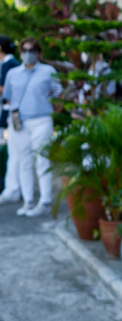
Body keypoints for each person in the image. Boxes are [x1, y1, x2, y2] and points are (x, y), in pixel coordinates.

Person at [3, 38, 63, 216]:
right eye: (25, 50)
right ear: (20, 52)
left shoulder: (48, 71)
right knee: (24, 161)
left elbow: (59, 94)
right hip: (19, 122)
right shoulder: (13, 73)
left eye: (32, 50)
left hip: (42, 121)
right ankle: (28, 201)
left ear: (38, 52)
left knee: (42, 160)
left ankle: (45, 202)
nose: (28, 53)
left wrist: (54, 109)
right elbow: (8, 97)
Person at [0, 35, 21, 203]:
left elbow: (6, 92)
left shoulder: (10, 65)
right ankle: (12, 187)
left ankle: (13, 188)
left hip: (13, 113)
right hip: (12, 113)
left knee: (15, 150)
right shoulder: (10, 64)